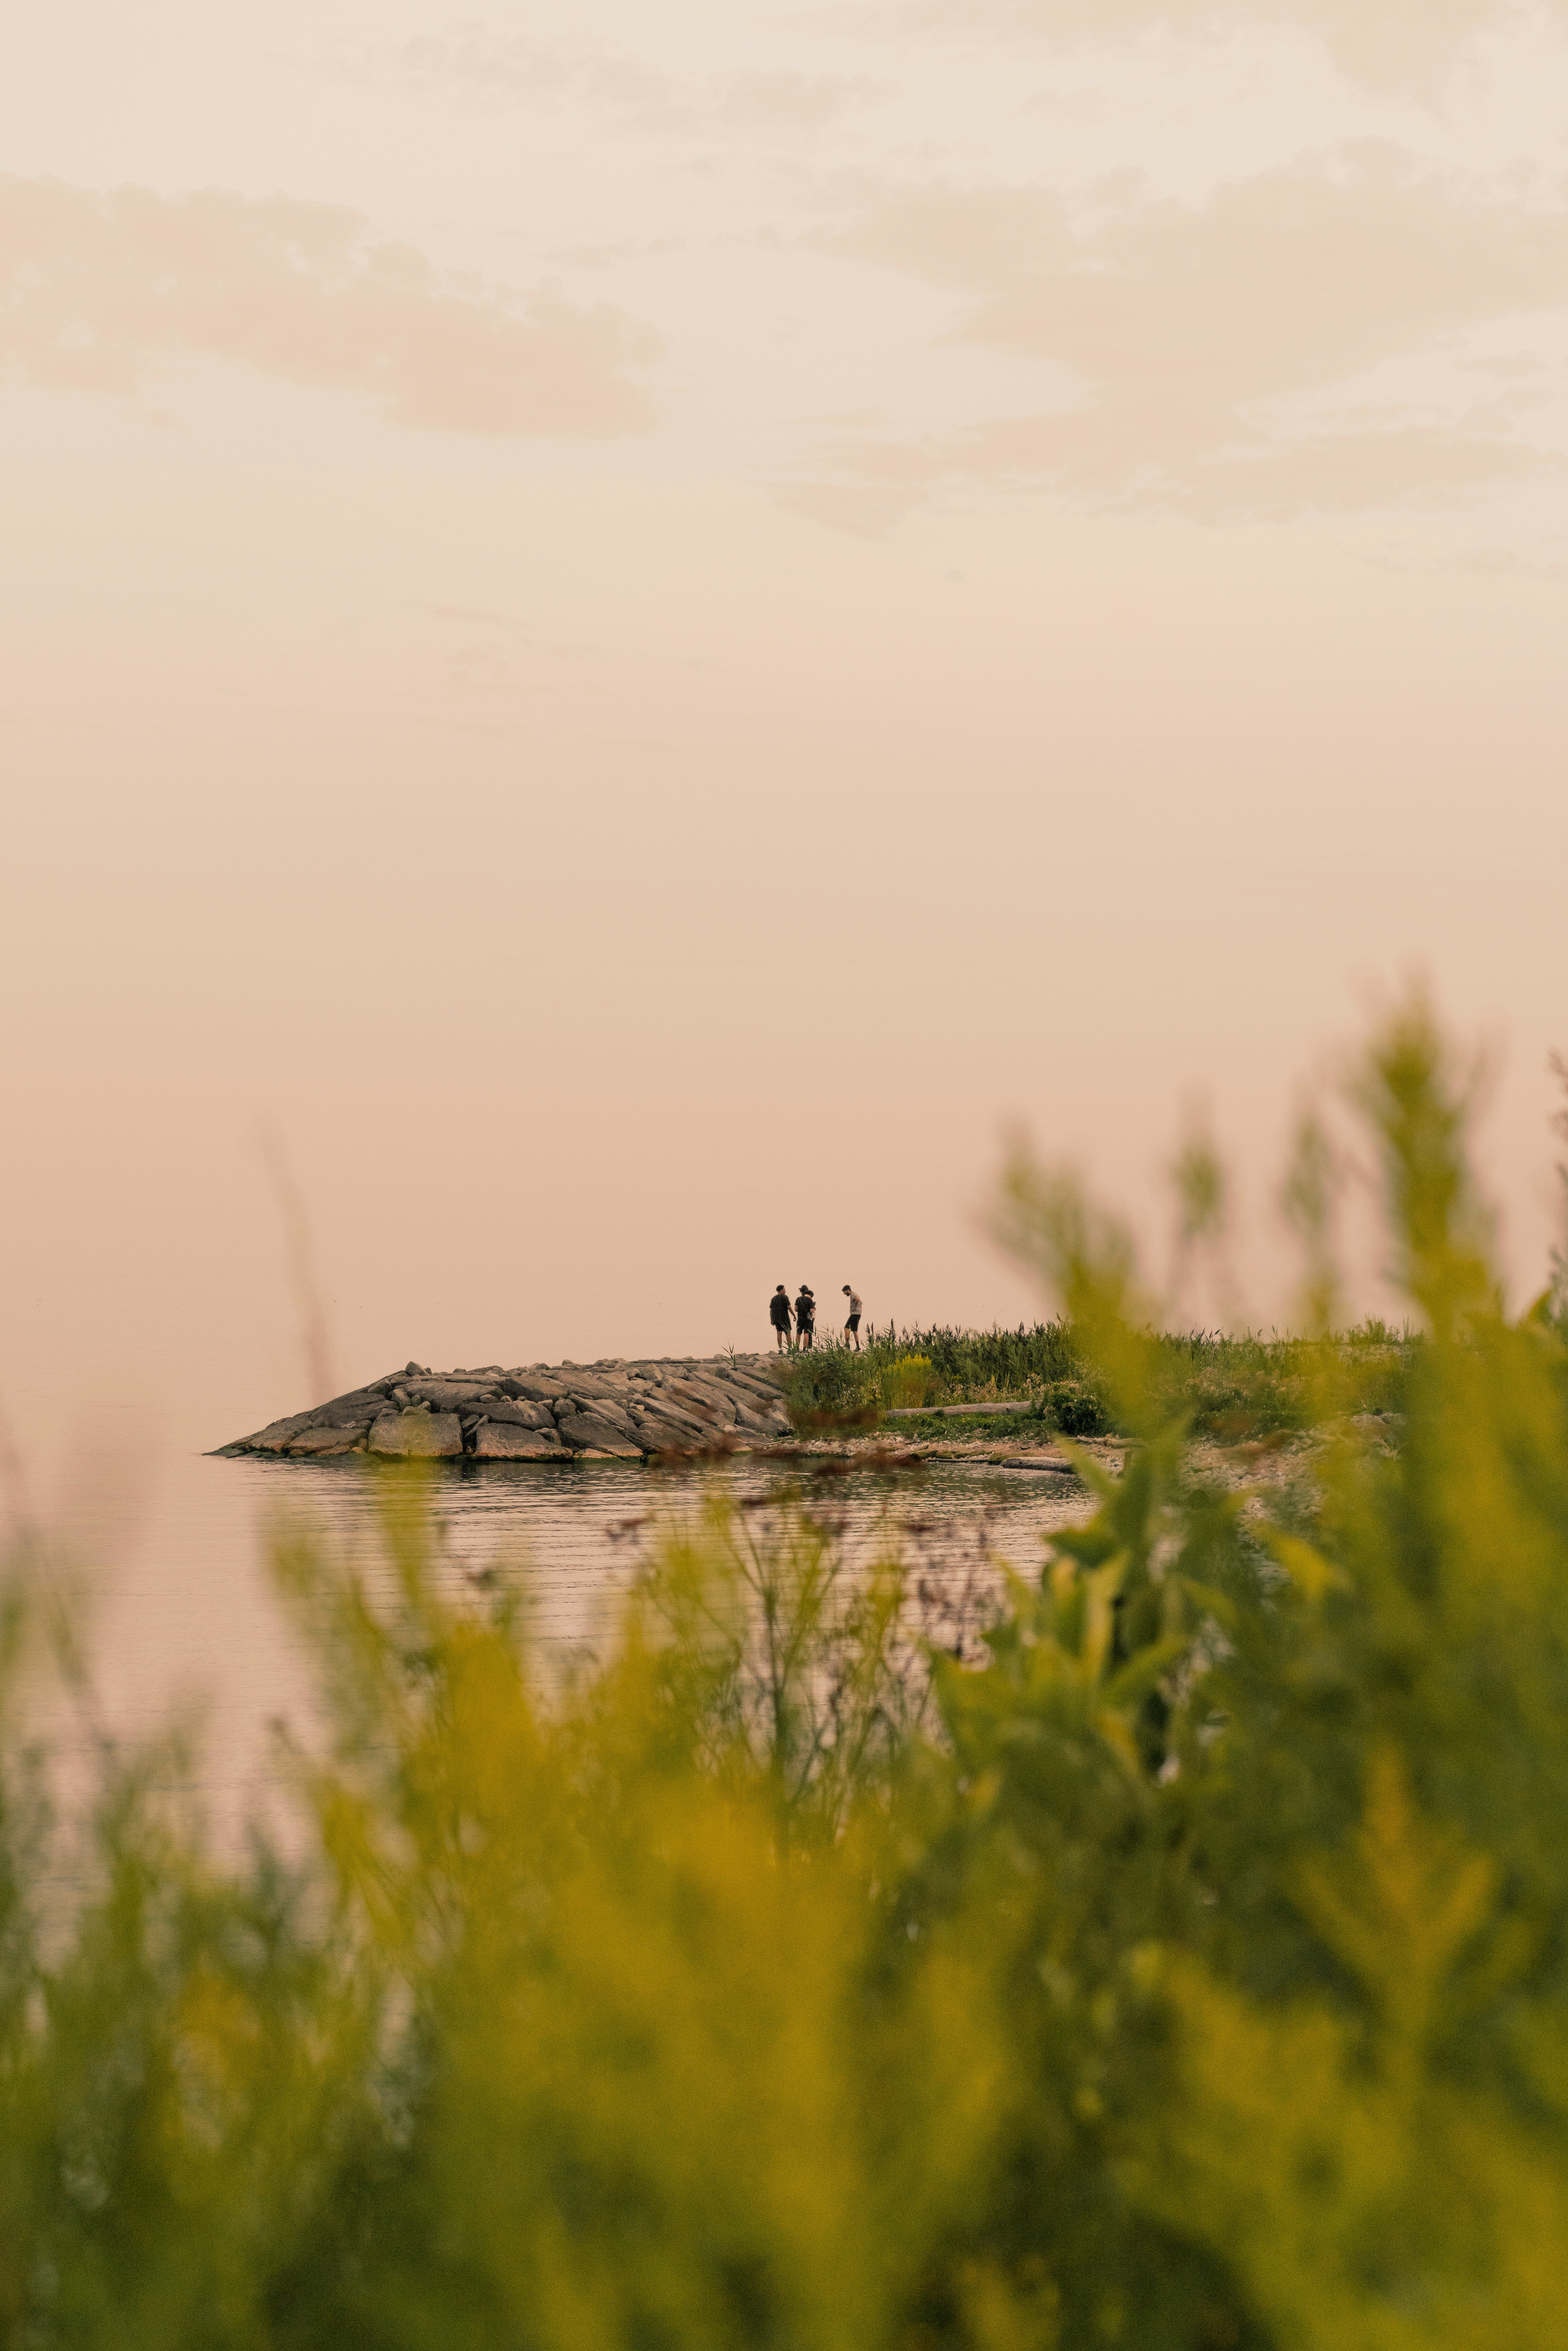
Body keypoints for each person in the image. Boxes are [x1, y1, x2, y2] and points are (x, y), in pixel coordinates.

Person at [769, 1284, 793, 1351]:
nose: (785, 1291)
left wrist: (772, 1320)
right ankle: (790, 1349)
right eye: (784, 1290)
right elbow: (789, 1307)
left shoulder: (774, 1299)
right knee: (788, 1333)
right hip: (785, 1318)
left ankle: (780, 1349)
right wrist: (794, 1315)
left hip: (777, 1319)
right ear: (782, 1290)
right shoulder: (785, 1297)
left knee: (779, 1333)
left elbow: (771, 1310)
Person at [842, 1284, 862, 1349]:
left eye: (845, 1292)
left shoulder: (853, 1294)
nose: (845, 1294)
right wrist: (857, 1306)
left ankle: (847, 1345)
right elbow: (861, 1303)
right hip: (858, 1314)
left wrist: (854, 1307)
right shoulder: (854, 1294)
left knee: (846, 1328)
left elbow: (858, 1299)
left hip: (855, 1314)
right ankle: (858, 1348)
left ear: (848, 1291)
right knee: (855, 1330)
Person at [794, 1286, 815, 1350]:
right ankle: (805, 1349)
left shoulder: (799, 1299)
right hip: (808, 1320)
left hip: (800, 1319)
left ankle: (797, 1348)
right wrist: (813, 1309)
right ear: (810, 1295)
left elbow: (796, 1309)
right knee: (806, 1334)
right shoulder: (810, 1300)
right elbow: (812, 1311)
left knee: (799, 1334)